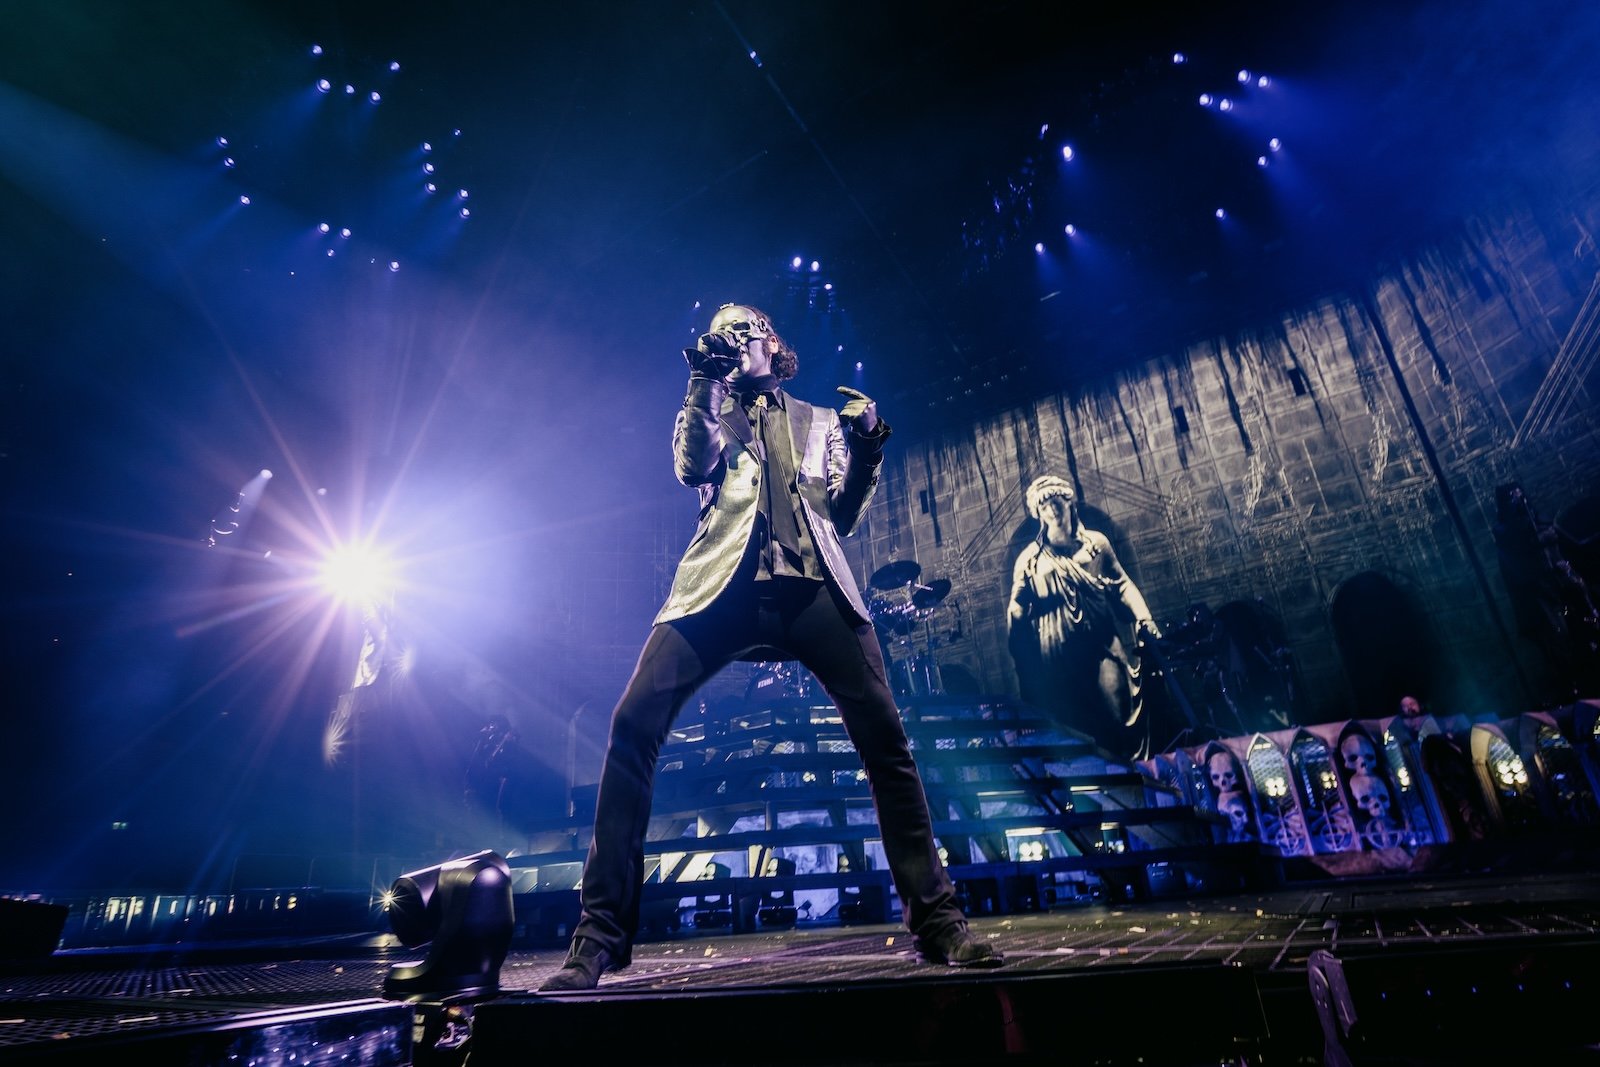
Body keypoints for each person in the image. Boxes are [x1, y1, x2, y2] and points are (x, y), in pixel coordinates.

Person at [539, 303, 1001, 991]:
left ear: (771, 342)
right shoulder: (709, 405)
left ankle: (937, 920)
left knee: (887, 742)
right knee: (631, 724)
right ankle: (599, 936)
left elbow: (841, 514)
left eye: (740, 329)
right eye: (720, 330)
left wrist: (869, 443)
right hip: (720, 587)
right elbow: (689, 466)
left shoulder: (818, 422)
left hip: (813, 588)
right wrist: (704, 385)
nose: (729, 338)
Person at [1007, 475, 1161, 759]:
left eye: (1056, 501)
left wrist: (1145, 619)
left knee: (1117, 710)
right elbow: (1017, 605)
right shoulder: (1030, 559)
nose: (1052, 509)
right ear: (1038, 514)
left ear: (1068, 503)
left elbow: (1122, 584)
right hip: (1057, 658)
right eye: (1044, 506)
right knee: (1074, 728)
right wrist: (1019, 642)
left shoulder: (1096, 545)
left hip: (1102, 643)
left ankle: (1132, 778)